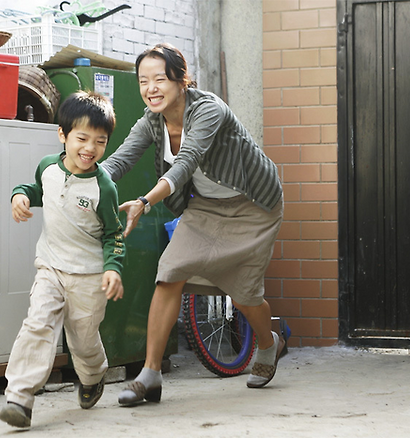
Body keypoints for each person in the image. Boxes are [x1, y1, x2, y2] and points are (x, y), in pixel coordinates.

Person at [100, 43, 284, 405]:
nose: (151, 88)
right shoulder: (151, 122)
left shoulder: (208, 109)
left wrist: (144, 202)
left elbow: (186, 162)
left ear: (181, 80)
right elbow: (119, 161)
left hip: (254, 206)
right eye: (143, 81)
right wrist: (82, 183)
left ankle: (269, 342)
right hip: (207, 209)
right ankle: (149, 375)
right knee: (169, 271)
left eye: (159, 79)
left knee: (244, 293)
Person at [0, 91, 125, 428]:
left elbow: (114, 235)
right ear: (62, 135)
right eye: (82, 138)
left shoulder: (104, 188)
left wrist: (113, 270)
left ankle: (94, 375)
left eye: (100, 141)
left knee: (82, 342)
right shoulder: (48, 168)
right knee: (38, 323)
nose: (90, 148)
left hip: (89, 277)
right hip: (51, 268)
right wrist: (20, 196)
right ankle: (19, 398)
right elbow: (34, 187)